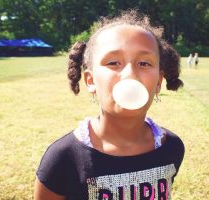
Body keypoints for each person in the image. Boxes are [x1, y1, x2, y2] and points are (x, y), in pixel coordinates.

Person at [34, 10, 185, 200]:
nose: (130, 74)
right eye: (113, 62)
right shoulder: (63, 159)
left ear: (158, 82)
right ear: (90, 80)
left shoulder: (172, 147)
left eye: (144, 63)